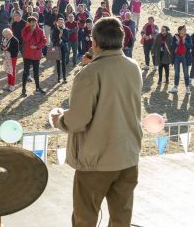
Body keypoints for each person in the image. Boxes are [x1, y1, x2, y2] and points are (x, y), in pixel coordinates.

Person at [51, 17, 141, 227]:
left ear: (94, 42)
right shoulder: (133, 66)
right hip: (128, 156)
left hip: (96, 160)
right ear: (122, 39)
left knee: (85, 218)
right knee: (121, 218)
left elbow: (79, 120)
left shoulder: (90, 73)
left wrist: (60, 120)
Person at [20, 16, 47, 97]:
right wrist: (31, 31)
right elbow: (25, 39)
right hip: (27, 54)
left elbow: (44, 40)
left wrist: (37, 46)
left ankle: (38, 87)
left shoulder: (40, 30)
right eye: (31, 22)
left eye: (34, 22)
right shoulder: (25, 30)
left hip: (36, 54)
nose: (33, 23)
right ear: (28, 23)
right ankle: (23, 89)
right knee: (26, 72)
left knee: (36, 72)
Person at [168, 26, 193, 94]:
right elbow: (172, 47)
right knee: (176, 73)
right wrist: (178, 42)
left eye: (185, 29)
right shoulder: (175, 37)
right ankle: (175, 87)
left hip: (185, 56)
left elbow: (191, 46)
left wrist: (185, 42)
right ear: (179, 31)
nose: (185, 30)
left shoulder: (188, 36)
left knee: (186, 73)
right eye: (183, 29)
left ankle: (187, 88)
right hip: (177, 56)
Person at [51, 18, 70, 84]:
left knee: (63, 63)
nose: (60, 23)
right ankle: (58, 77)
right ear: (57, 23)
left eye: (62, 22)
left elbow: (67, 39)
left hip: (63, 48)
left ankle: (64, 78)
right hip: (57, 47)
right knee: (58, 63)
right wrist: (58, 38)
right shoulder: (55, 29)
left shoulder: (66, 30)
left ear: (63, 23)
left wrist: (61, 37)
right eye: (59, 22)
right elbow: (52, 39)